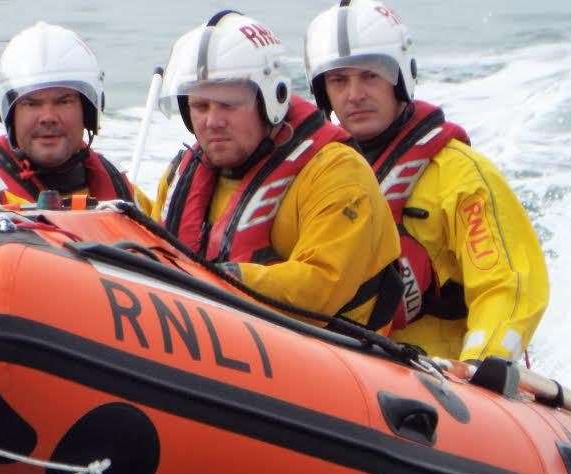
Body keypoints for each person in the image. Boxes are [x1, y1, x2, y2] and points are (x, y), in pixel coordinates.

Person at [304, 0, 549, 361]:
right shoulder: (319, 177)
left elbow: (508, 284)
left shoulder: (459, 175)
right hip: (345, 367)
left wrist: (485, 361)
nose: (354, 94)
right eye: (339, 80)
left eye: (370, 75)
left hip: (440, 379)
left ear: (400, 77)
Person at [152, 11, 403, 331]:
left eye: (228, 104)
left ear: (270, 99)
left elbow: (321, 285)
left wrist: (214, 278)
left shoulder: (337, 173)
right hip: (208, 336)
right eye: (200, 107)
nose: (212, 121)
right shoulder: (178, 178)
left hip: (326, 358)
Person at [0, 21, 151, 211]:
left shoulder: (122, 191)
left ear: (88, 111)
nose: (48, 117)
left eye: (63, 101)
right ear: (8, 115)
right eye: (32, 103)